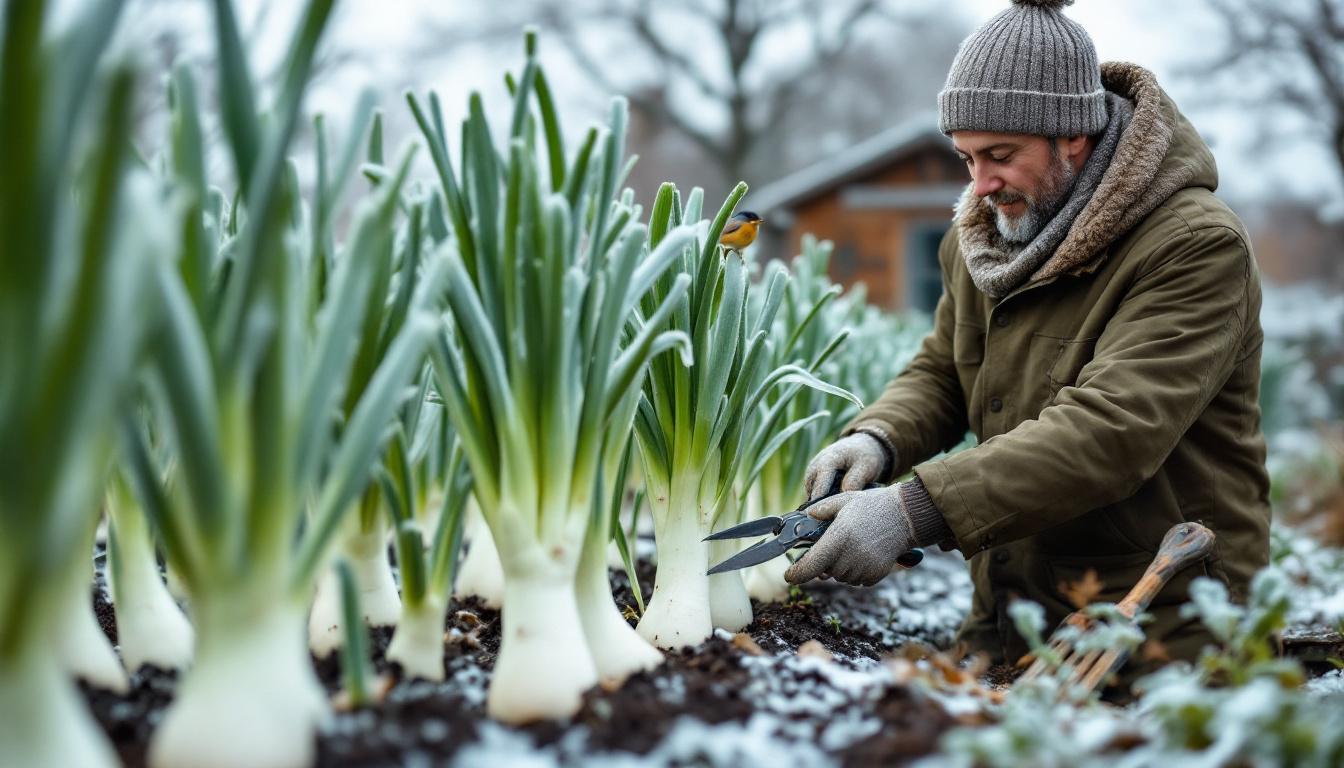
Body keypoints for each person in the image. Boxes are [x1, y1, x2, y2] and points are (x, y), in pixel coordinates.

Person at [783, 0, 1271, 684]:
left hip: (1161, 624)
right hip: (1018, 614)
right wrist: (879, 440)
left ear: (1073, 135)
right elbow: (947, 370)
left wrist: (912, 510)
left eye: (1000, 156)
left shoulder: (1192, 246)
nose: (981, 186)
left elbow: (1112, 432)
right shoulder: (985, 237)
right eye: (966, 158)